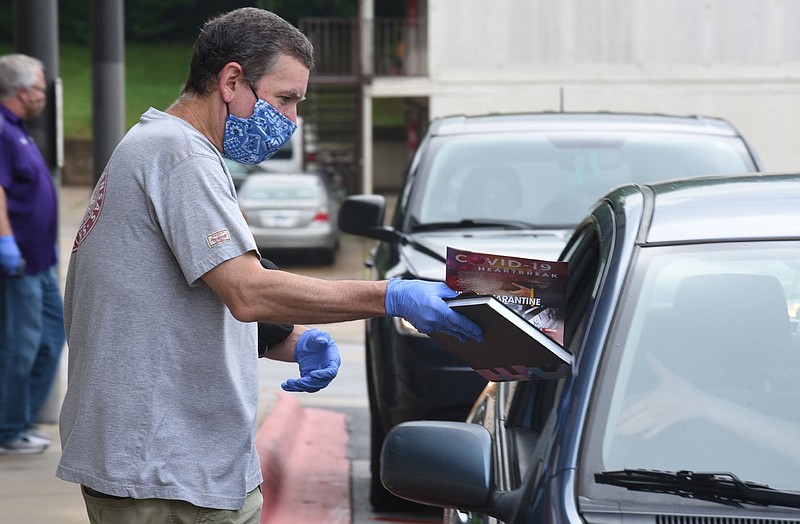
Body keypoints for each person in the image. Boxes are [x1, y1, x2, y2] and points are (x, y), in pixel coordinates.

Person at [56, 7, 481, 523]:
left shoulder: (160, 148)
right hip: (165, 472)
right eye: (285, 100)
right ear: (231, 80)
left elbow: (188, 294)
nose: (291, 121)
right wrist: (391, 296)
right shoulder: (179, 155)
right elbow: (247, 291)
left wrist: (291, 339)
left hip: (170, 465)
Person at [0, 54, 65, 455]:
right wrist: (6, 243)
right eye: (41, 89)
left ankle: (19, 423)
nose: (43, 96)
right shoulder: (3, 131)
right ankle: (8, 430)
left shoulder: (18, 130)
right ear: (24, 92)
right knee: (19, 346)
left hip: (39, 260)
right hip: (19, 262)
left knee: (50, 338)